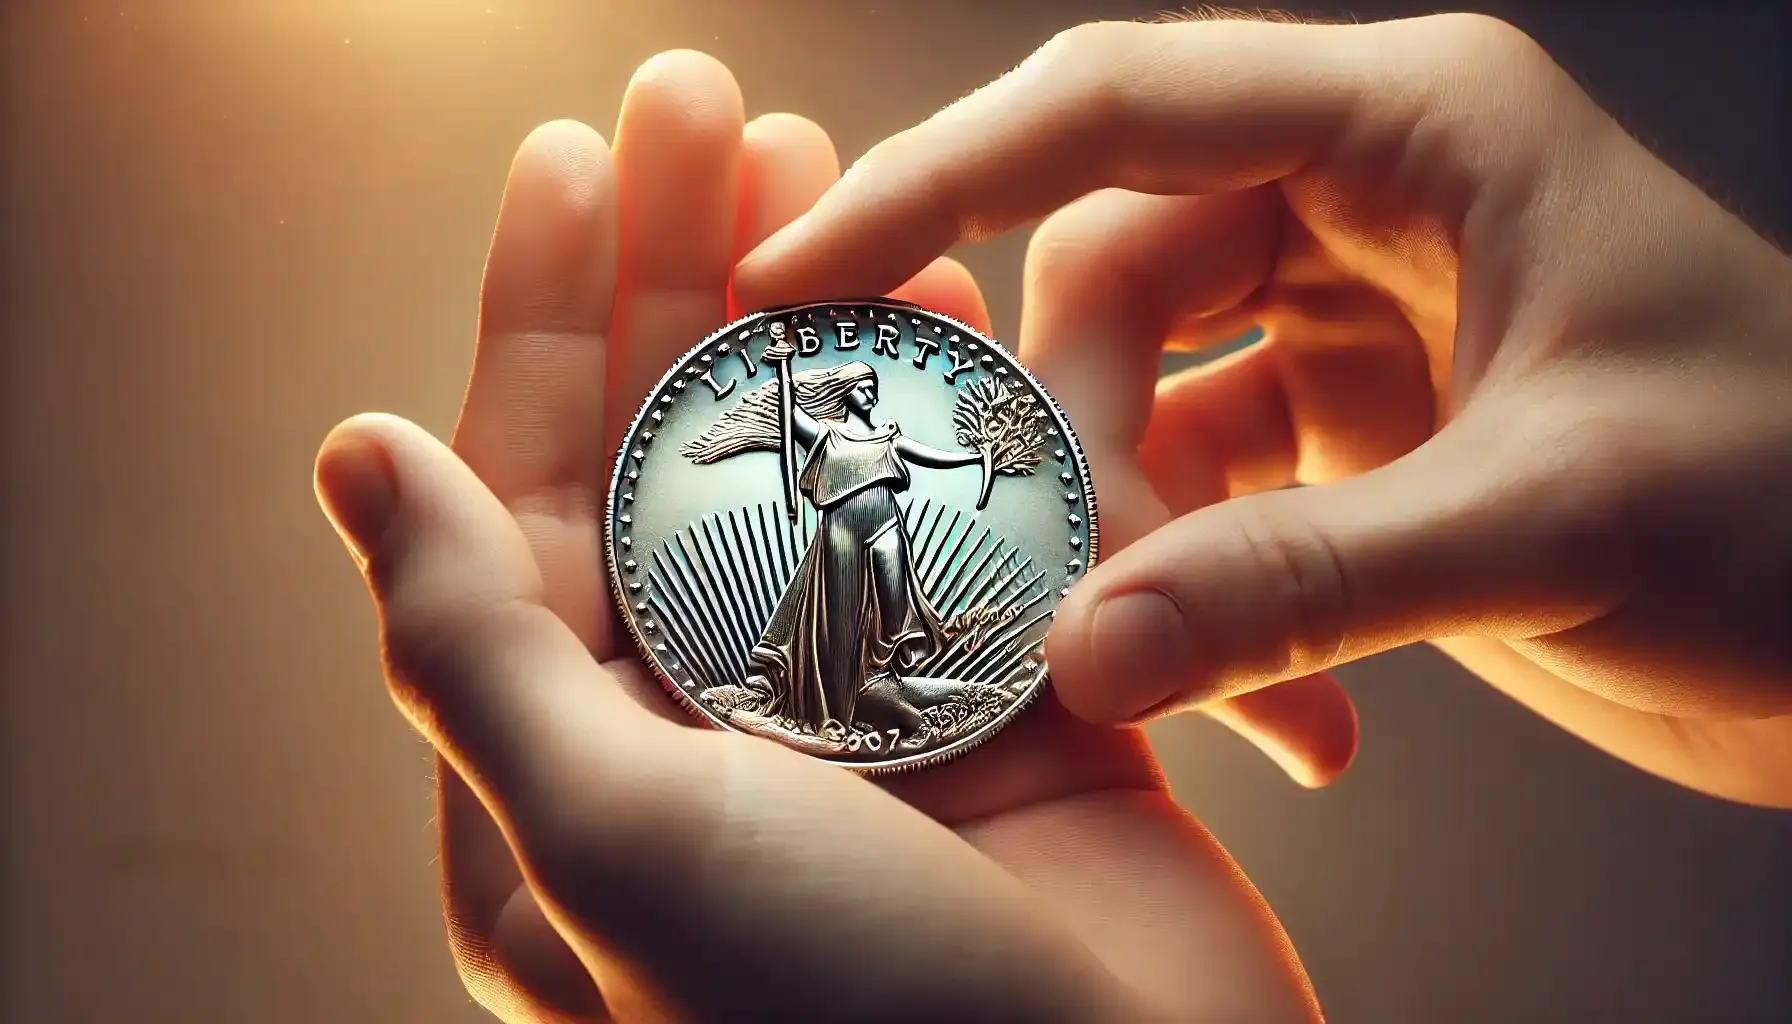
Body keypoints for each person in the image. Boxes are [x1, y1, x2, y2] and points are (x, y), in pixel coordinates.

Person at [312, 13, 1792, 1023]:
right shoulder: (827, 445)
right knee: (839, 626)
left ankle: (842, 675)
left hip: (870, 551)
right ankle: (833, 679)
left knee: (858, 620)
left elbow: (926, 477)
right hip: (847, 554)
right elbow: (858, 464)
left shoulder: (866, 449)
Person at [679, 351, 986, 749]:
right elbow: (788, 411)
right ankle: (838, 703)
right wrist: (782, 366)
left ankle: (879, 677)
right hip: (841, 532)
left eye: (873, 388)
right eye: (862, 387)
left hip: (886, 525)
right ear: (844, 391)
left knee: (894, 611)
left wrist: (976, 459)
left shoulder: (889, 435)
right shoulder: (827, 436)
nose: (869, 394)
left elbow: (930, 455)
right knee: (838, 615)